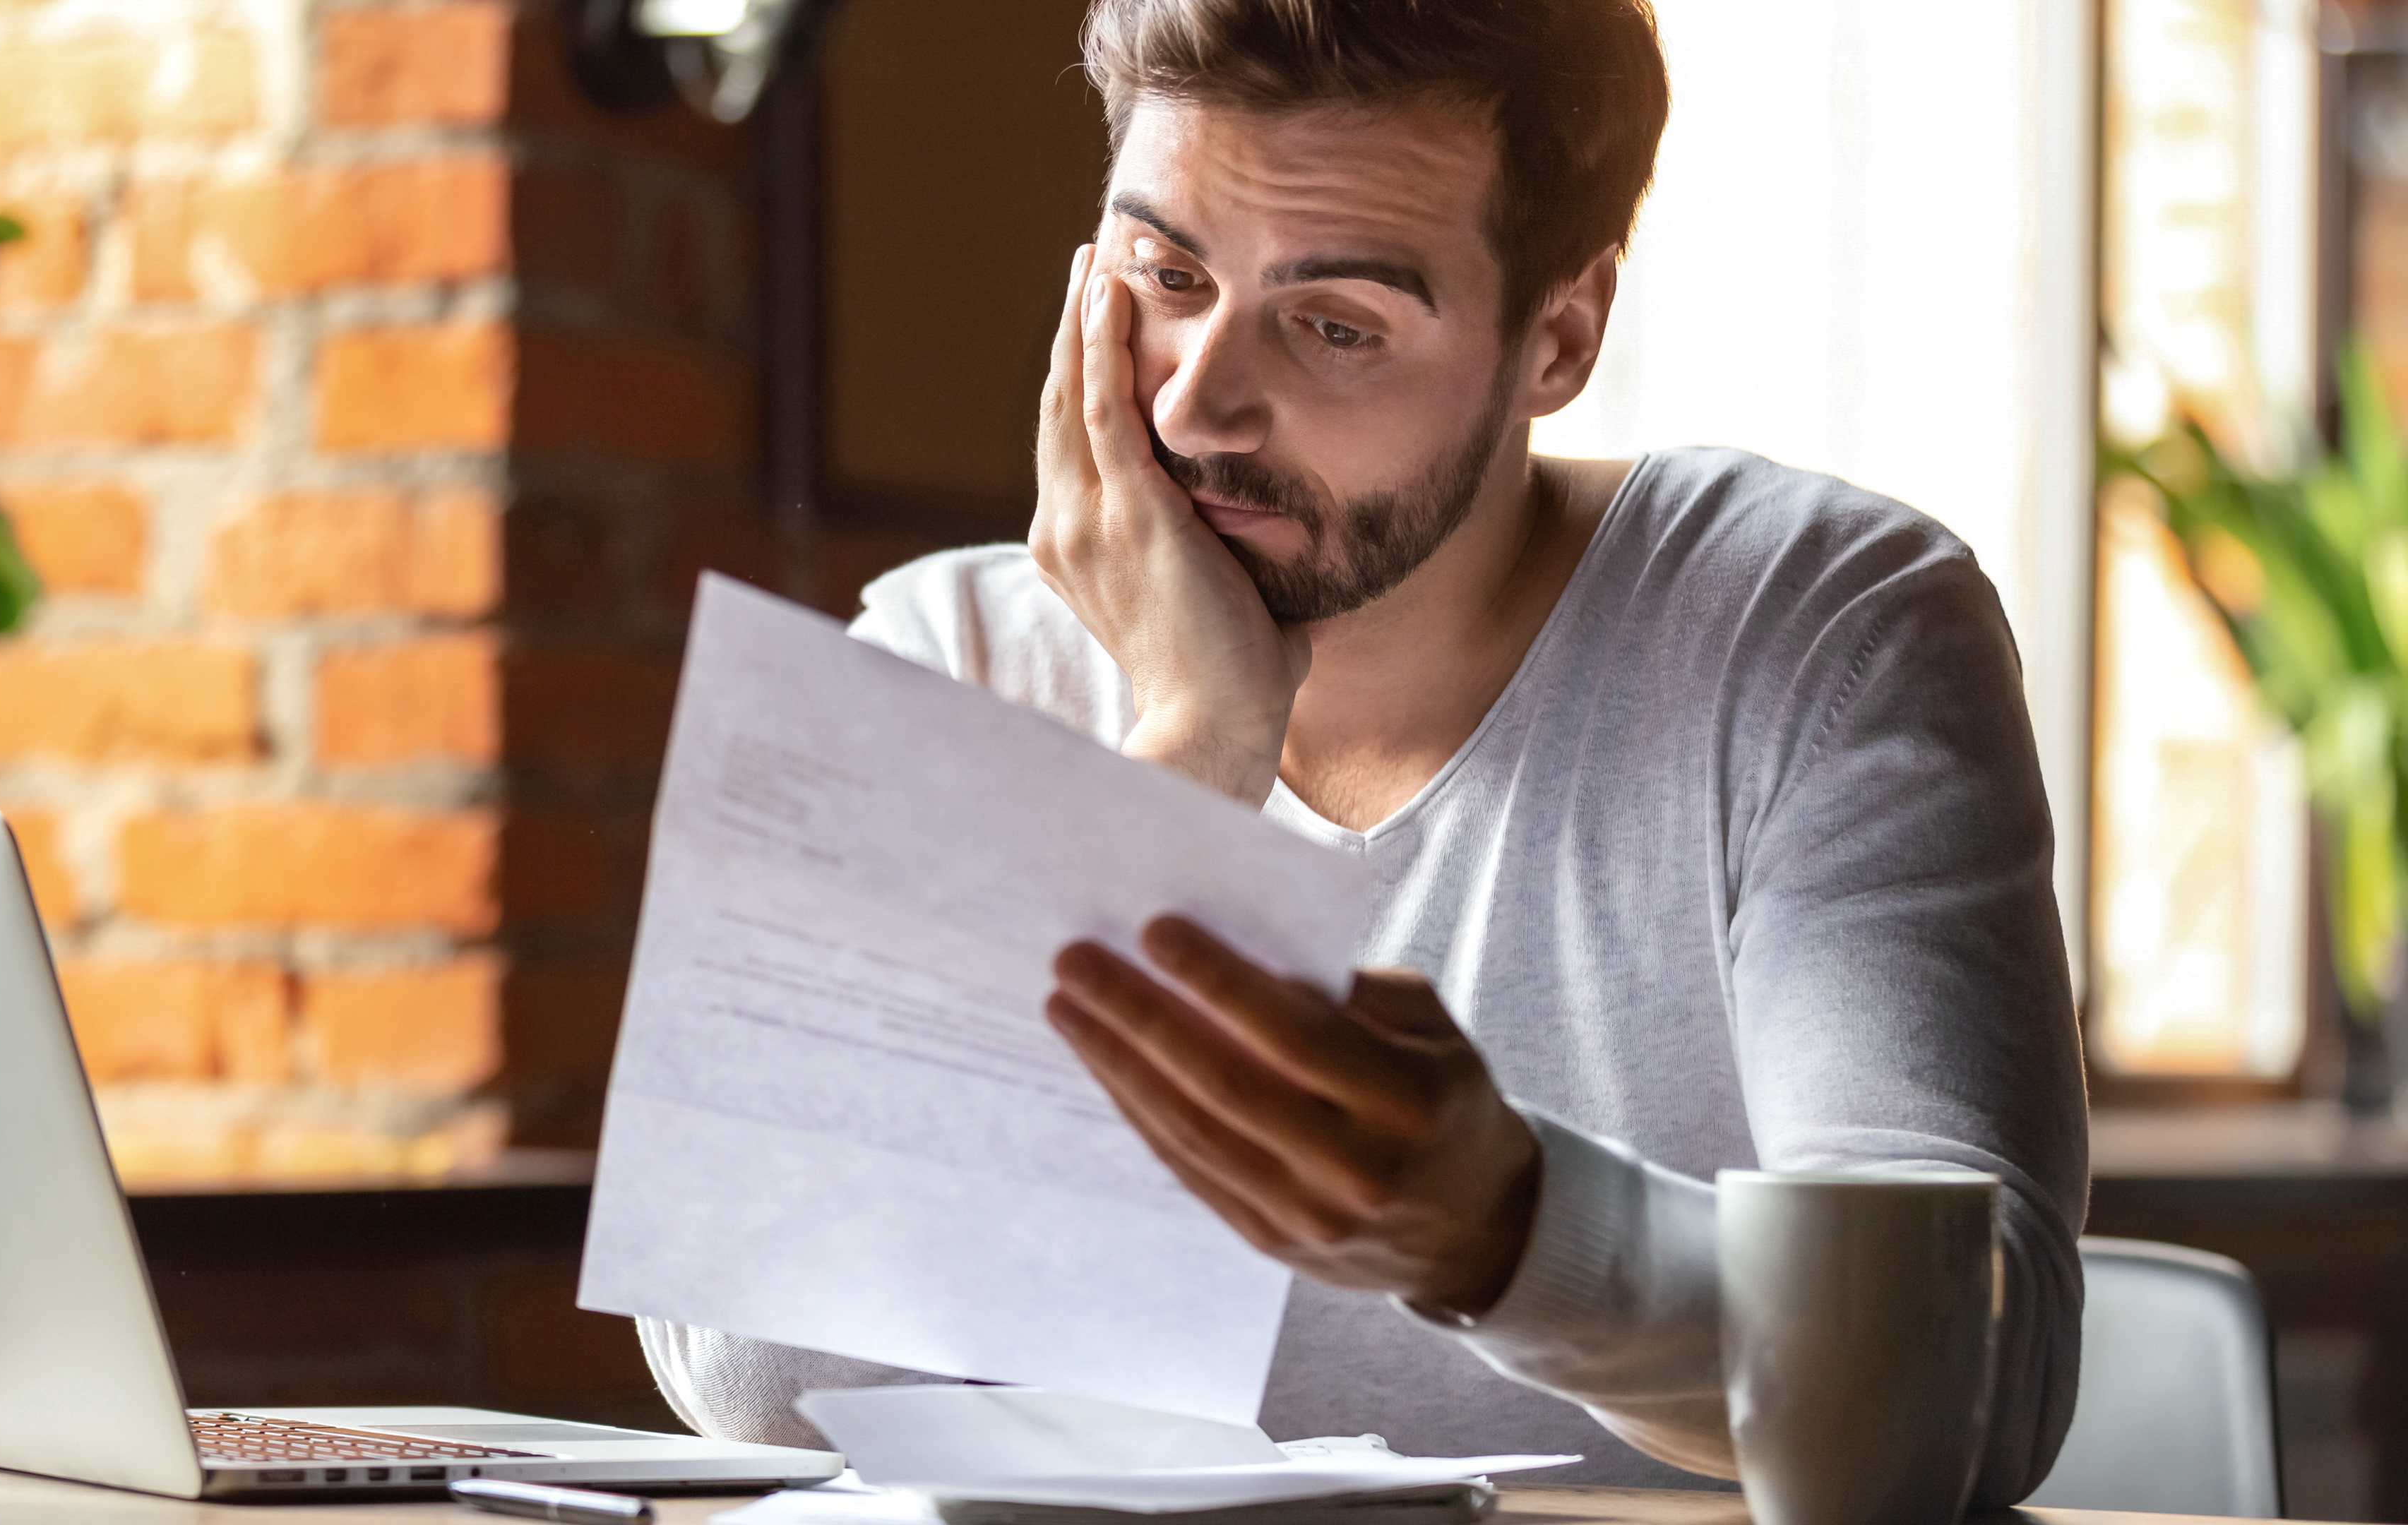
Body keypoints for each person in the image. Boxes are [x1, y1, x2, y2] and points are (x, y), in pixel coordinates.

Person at [639, 0, 2087, 1502]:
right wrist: (1193, 753)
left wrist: (1510, 1237)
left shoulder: (1820, 629)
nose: (1198, 405)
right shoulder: (949, 655)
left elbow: (1967, 1384)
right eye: (1165, 274)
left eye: (1335, 326)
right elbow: (758, 1379)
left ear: (1561, 336)